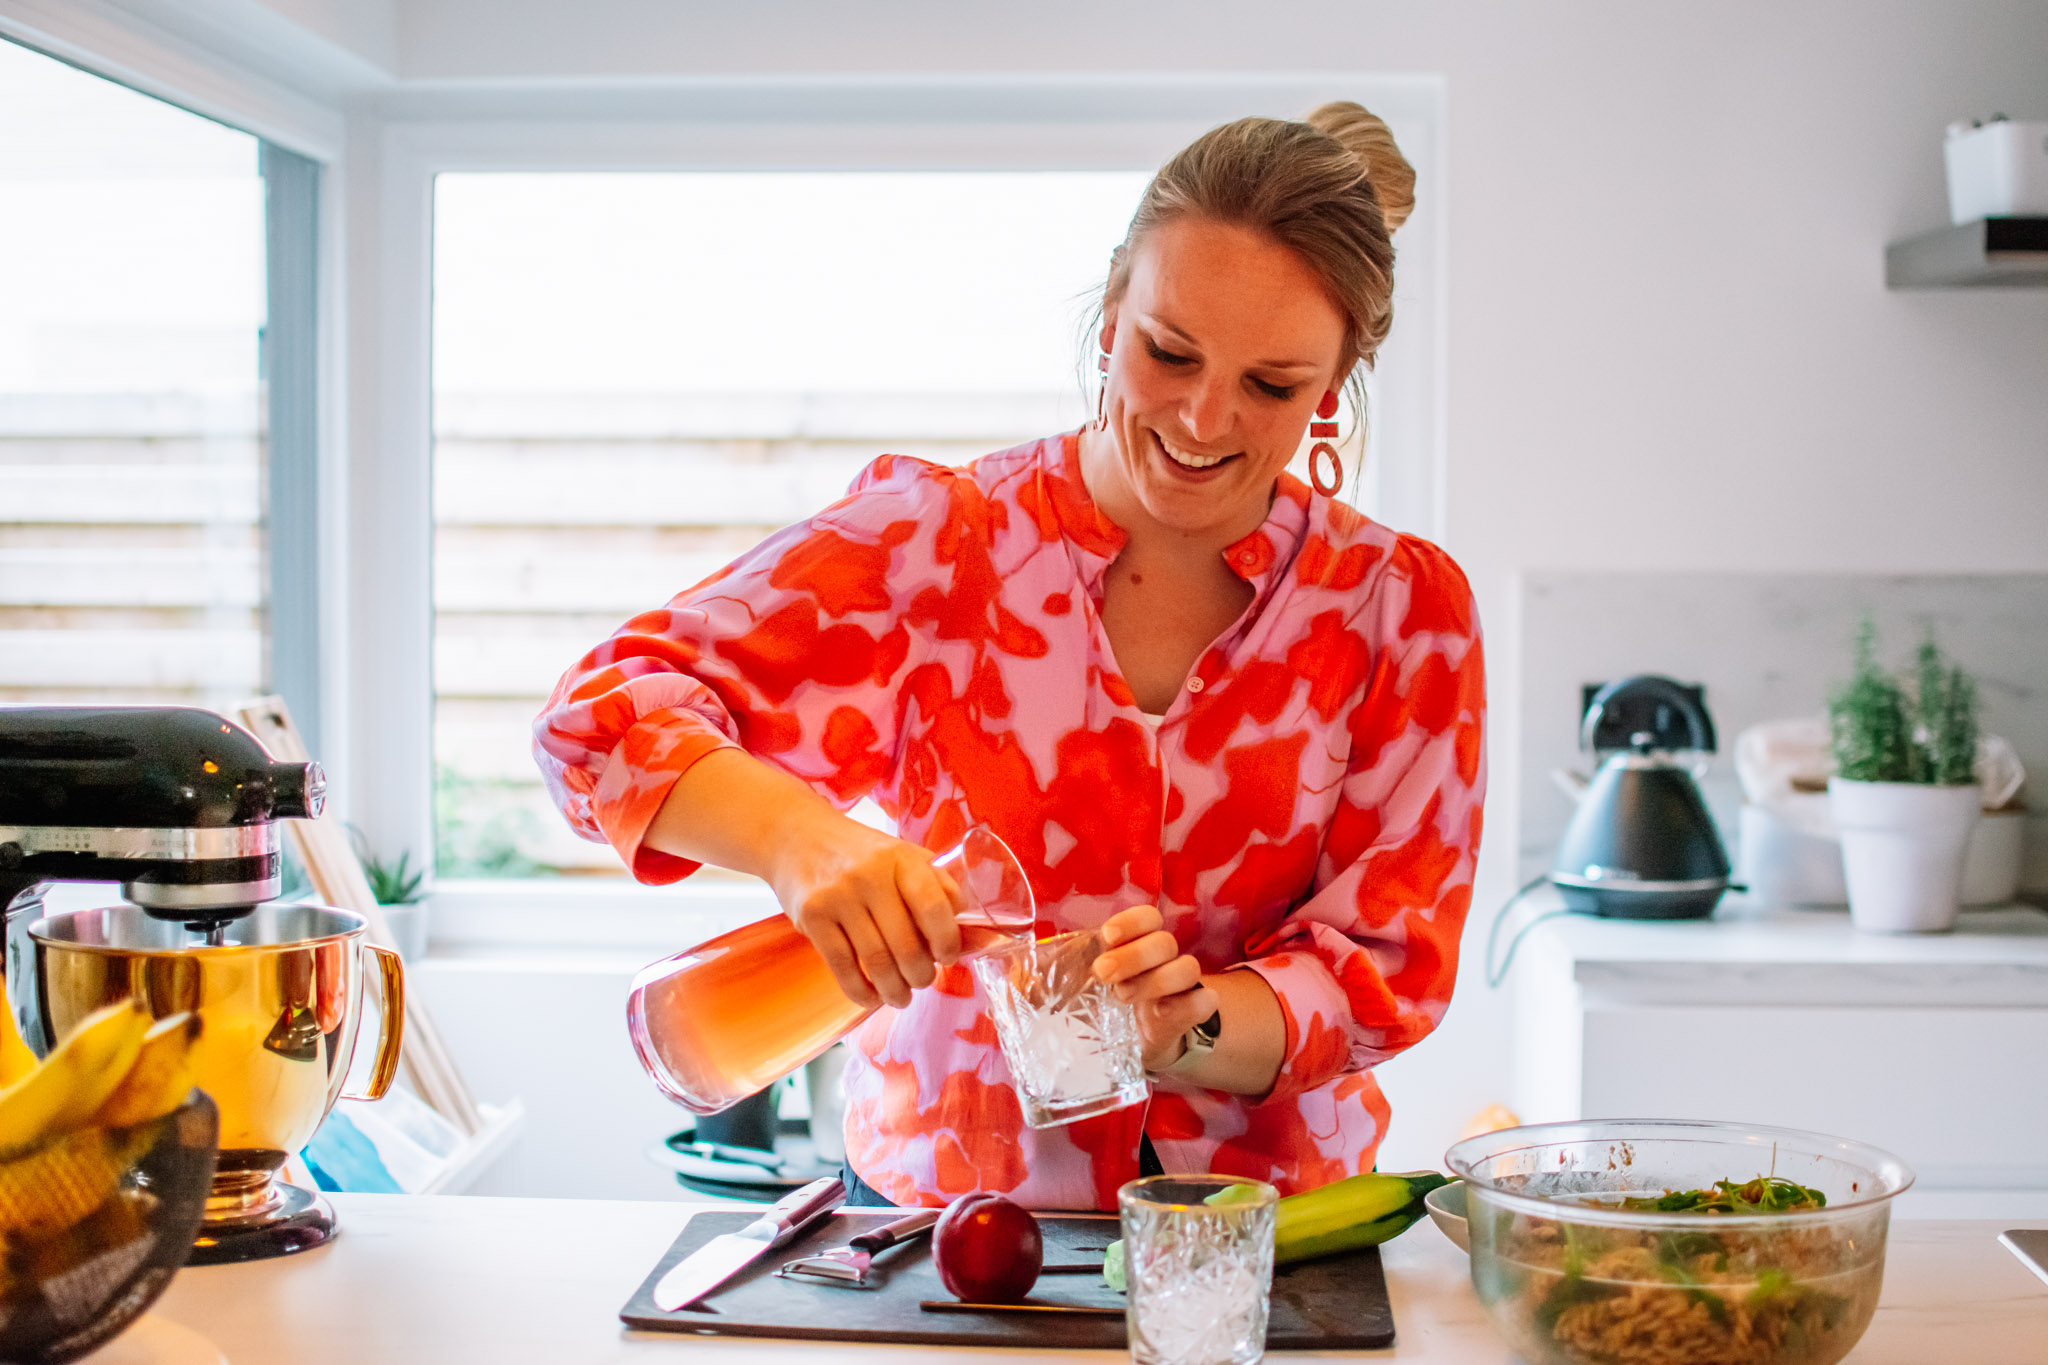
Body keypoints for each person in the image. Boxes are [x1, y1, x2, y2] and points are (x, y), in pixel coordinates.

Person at [534, 102, 1485, 1211]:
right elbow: (598, 721)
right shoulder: (941, 544)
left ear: (1332, 389)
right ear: (1107, 318)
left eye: (1270, 385)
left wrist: (1188, 1031)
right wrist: (801, 844)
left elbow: (1385, 966)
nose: (1200, 418)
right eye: (1166, 351)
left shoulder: (1397, 612)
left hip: (1256, 1232)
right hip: (948, 1217)